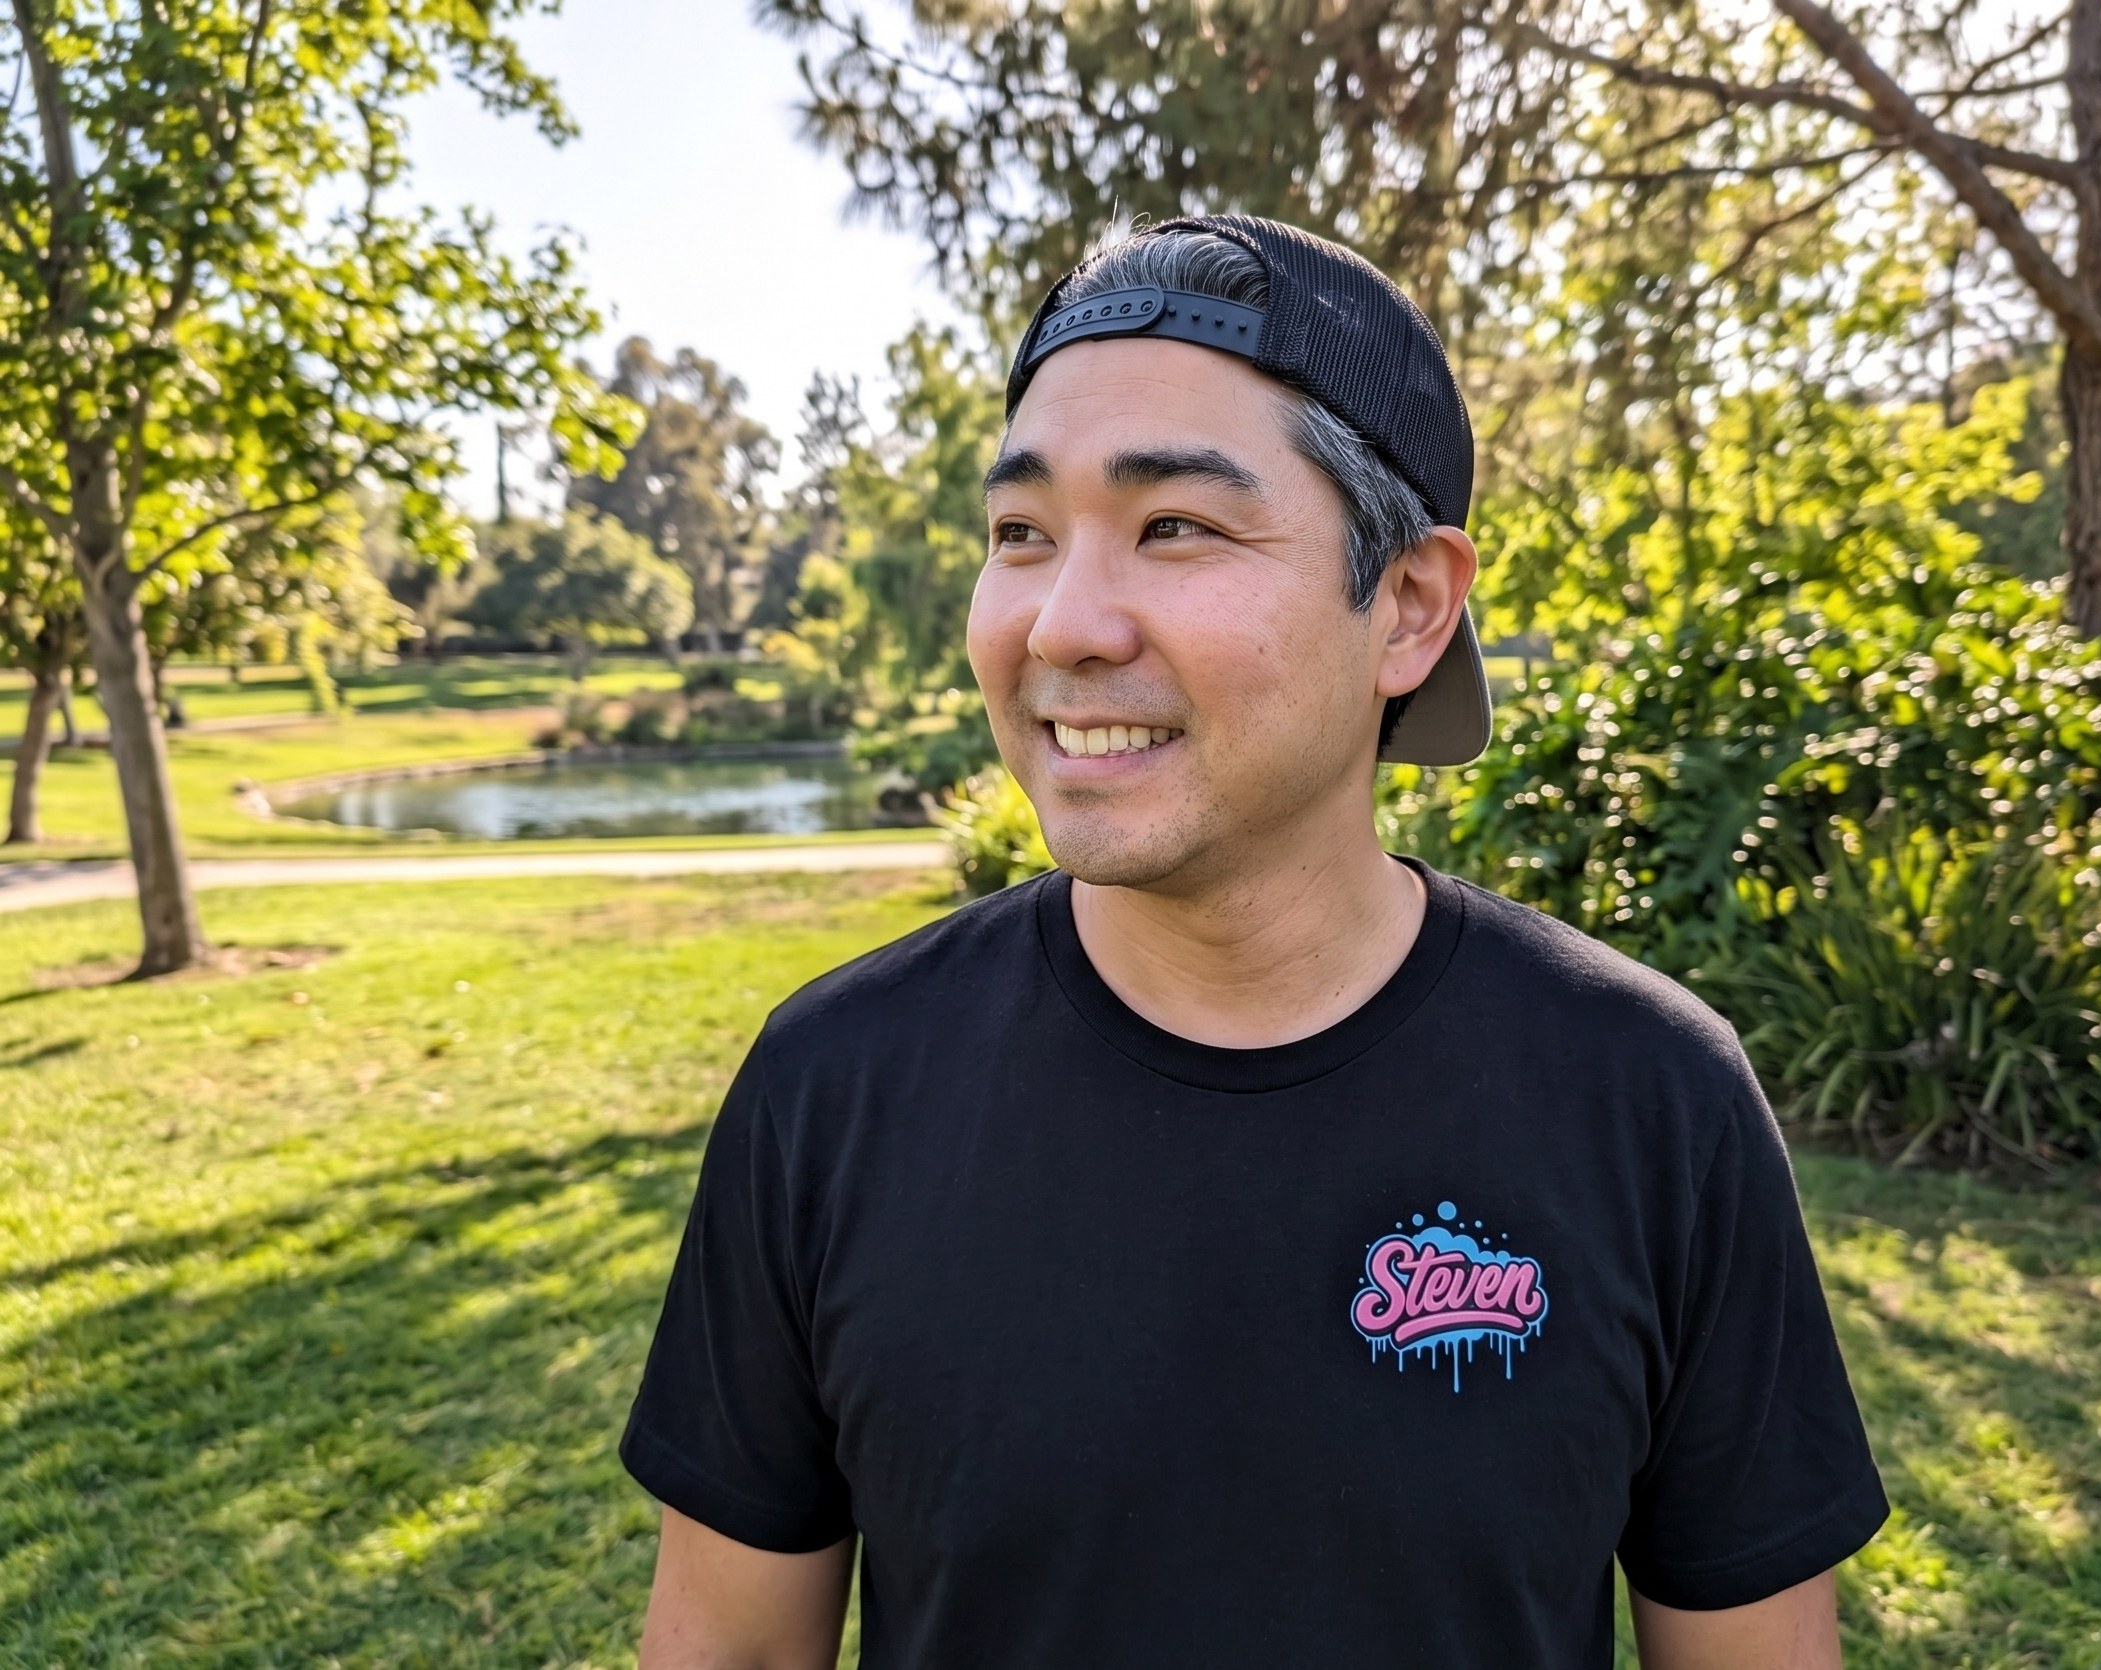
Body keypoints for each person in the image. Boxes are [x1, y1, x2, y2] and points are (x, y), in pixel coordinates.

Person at [621, 215, 1888, 1670]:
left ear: (1407, 605)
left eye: (1175, 526)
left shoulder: (1650, 1097)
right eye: (1020, 534)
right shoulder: (831, 1087)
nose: (1060, 626)